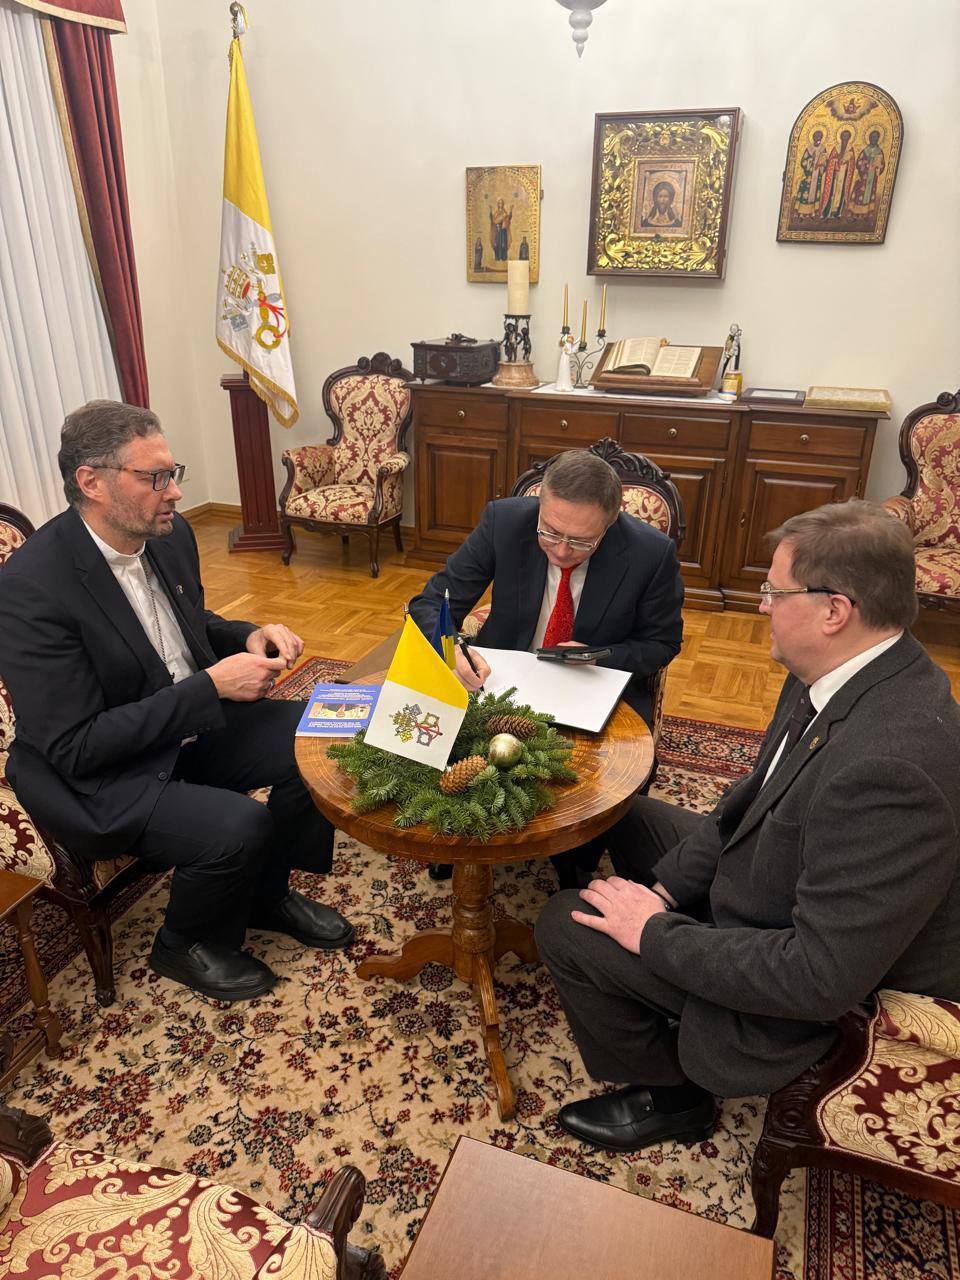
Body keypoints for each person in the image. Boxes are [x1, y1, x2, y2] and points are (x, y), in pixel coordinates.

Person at [535, 500, 960, 1153]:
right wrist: (667, 891)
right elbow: (752, 798)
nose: (762, 606)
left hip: (802, 983)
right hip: (780, 881)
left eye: (775, 592)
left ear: (834, 610)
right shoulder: (840, 668)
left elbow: (819, 977)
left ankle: (674, 1098)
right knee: (624, 814)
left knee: (567, 923)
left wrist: (651, 932)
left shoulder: (892, 773)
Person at [0, 401, 355, 1003]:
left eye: (173, 472)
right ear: (92, 482)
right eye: (156, 477)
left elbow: (186, 622)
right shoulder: (30, 588)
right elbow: (76, 745)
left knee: (322, 734)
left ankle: (266, 895)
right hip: (104, 774)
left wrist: (246, 634)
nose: (176, 491)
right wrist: (210, 687)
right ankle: (183, 942)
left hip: (182, 727)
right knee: (242, 824)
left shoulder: (167, 535)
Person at [408, 449, 684, 883]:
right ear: (541, 504)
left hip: (593, 684)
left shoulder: (652, 553)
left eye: (581, 541)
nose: (561, 550)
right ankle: (459, 839)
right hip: (501, 676)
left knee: (601, 782)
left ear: (610, 522)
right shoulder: (504, 522)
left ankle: (576, 858)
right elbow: (429, 604)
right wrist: (452, 647)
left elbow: (662, 643)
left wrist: (598, 654)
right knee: (430, 734)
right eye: (550, 532)